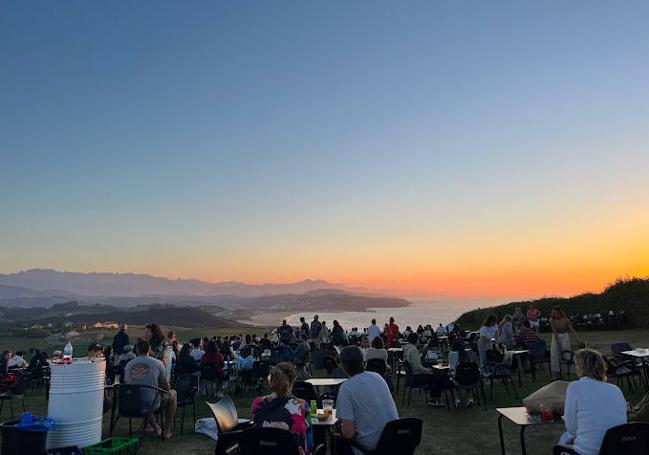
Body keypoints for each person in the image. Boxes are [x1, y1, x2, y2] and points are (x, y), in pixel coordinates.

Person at [558, 349, 627, 455]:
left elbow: (571, 428)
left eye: (576, 365)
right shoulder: (615, 389)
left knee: (565, 437)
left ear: (581, 367)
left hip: (587, 452)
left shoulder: (575, 387)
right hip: (617, 449)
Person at [337, 346, 398, 454]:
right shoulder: (378, 377)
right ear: (363, 362)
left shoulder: (346, 388)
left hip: (371, 448)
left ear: (343, 367)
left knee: (337, 441)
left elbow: (348, 434)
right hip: (395, 441)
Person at [251, 362, 311, 455]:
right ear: (292, 382)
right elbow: (309, 442)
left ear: (271, 381)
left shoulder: (257, 403)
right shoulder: (301, 405)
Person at [124, 339, 177, 439]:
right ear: (149, 349)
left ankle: (155, 427)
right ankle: (167, 431)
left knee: (145, 395)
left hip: (130, 403)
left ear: (137, 350)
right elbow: (167, 388)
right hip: (149, 403)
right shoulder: (157, 363)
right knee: (173, 394)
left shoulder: (128, 365)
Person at [403, 332, 454, 406]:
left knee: (435, 375)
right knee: (437, 377)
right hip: (416, 377)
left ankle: (435, 398)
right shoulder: (413, 350)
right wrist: (428, 371)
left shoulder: (407, 348)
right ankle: (435, 398)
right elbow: (417, 367)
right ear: (416, 340)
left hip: (411, 376)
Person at [550, 307, 579, 379]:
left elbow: (572, 330)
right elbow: (555, 332)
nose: (555, 315)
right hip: (555, 337)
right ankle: (556, 373)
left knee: (566, 354)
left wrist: (577, 339)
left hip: (565, 336)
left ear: (560, 313)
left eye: (556, 313)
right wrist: (558, 343)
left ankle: (567, 372)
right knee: (554, 354)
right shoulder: (552, 321)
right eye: (554, 313)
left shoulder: (566, 320)